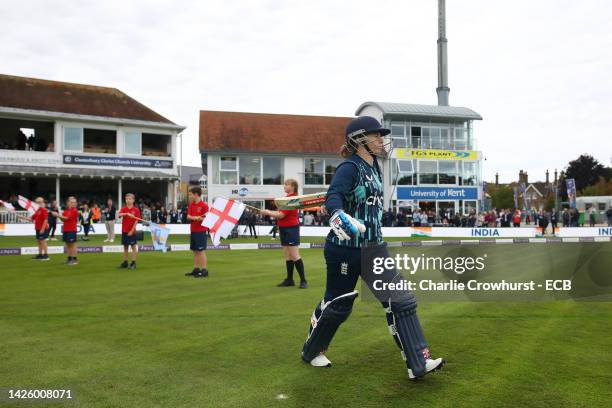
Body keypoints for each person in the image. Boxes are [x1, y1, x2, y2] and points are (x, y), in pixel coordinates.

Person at [300, 116, 444, 379]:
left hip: (375, 247)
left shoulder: (375, 166)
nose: (381, 140)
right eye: (376, 135)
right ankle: (312, 351)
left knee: (401, 300)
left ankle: (418, 363)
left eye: (381, 135)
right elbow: (334, 196)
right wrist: (337, 214)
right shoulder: (349, 167)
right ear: (359, 140)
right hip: (345, 248)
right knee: (337, 304)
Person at [261, 179, 308, 289]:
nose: (284, 186)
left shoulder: (291, 199)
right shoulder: (287, 199)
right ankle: (289, 279)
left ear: (293, 186)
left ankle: (303, 280)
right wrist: (268, 212)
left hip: (291, 229)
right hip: (284, 228)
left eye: (287, 184)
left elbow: (281, 215)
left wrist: (267, 212)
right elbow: (280, 213)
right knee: (287, 255)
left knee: (294, 255)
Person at [185, 187, 209, 278]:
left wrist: (200, 218)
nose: (190, 196)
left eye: (191, 194)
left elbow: (207, 219)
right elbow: (188, 216)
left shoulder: (204, 206)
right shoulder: (191, 205)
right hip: (193, 230)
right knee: (195, 251)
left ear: (196, 194)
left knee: (201, 251)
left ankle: (204, 270)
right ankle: (196, 269)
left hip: (201, 231)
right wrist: (195, 218)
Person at [51, 196, 79, 265]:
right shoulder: (67, 211)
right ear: (69, 203)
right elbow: (63, 219)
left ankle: (73, 259)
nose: (73, 203)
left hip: (71, 229)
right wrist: (59, 216)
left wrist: (57, 215)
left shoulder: (74, 210)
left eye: (74, 202)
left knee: (71, 245)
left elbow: (66, 218)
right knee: (68, 244)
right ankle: (69, 258)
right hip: (66, 229)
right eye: (72, 202)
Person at [117, 193, 141, 270]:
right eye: (127, 199)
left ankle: (133, 263)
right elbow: (118, 215)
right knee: (125, 247)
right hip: (124, 230)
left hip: (131, 231)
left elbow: (136, 221)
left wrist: (132, 230)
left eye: (130, 199)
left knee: (133, 247)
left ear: (133, 200)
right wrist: (126, 213)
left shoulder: (136, 210)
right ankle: (125, 262)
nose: (128, 200)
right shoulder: (124, 208)